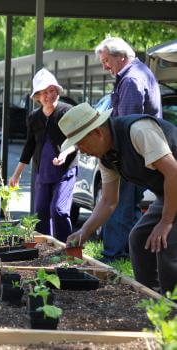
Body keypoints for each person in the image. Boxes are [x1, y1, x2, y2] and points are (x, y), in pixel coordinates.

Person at [59, 102, 177, 293]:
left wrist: (165, 222)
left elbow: (173, 173)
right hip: (169, 193)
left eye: (81, 142)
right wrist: (85, 231)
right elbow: (108, 201)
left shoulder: (139, 131)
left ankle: (171, 311)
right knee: (139, 239)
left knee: (166, 244)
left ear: (97, 132)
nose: (80, 150)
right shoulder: (107, 157)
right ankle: (152, 299)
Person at [95, 37, 162, 262]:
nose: (104, 66)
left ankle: (115, 256)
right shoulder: (136, 74)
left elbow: (126, 125)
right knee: (127, 206)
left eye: (106, 61)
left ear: (121, 57)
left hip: (131, 153)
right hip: (140, 153)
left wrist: (115, 156)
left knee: (121, 205)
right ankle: (130, 255)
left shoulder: (132, 80)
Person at [9, 68, 78, 242]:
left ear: (58, 92)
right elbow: (29, 147)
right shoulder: (34, 118)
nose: (49, 96)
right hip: (43, 172)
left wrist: (65, 153)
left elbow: (77, 140)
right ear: (37, 97)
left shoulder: (67, 111)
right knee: (40, 215)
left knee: (59, 210)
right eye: (44, 92)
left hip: (65, 171)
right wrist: (16, 174)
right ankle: (43, 249)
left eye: (52, 91)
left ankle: (66, 248)